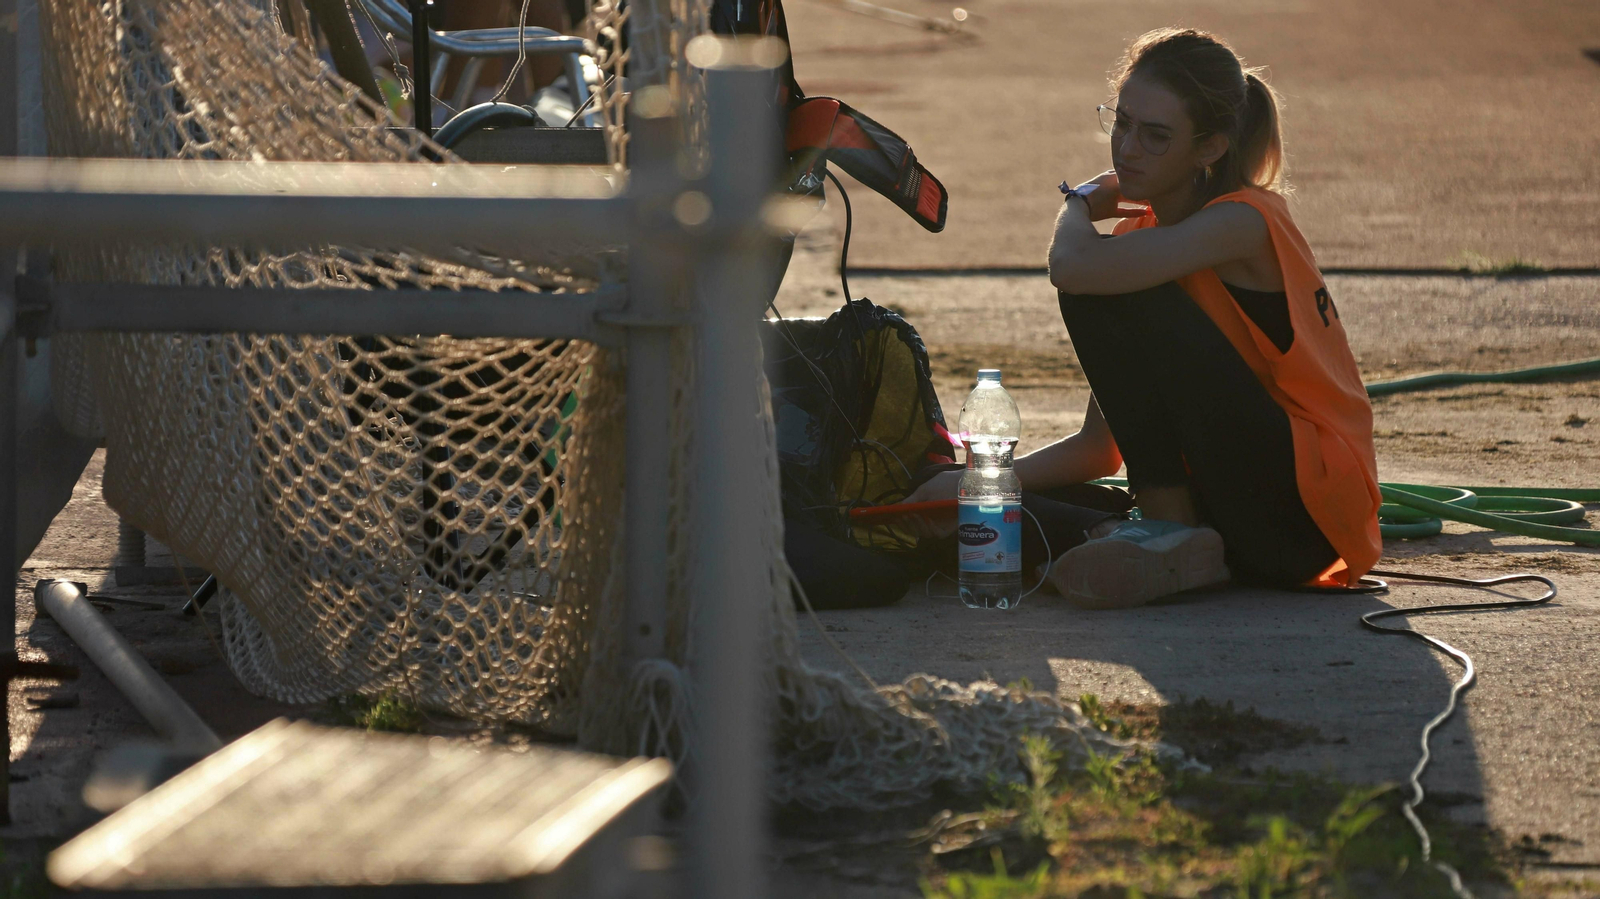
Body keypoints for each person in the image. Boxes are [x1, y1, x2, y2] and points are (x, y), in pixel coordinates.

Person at [903, 27, 1381, 609]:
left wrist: (1076, 202)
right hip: (1235, 524)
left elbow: (1073, 268)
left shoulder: (1245, 221)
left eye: (1155, 136)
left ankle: (1164, 527)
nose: (1126, 149)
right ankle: (1159, 542)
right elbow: (1099, 450)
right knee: (977, 513)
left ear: (1209, 149)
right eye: (1121, 122)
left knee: (1102, 286)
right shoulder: (1138, 244)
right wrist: (979, 481)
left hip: (1306, 521)